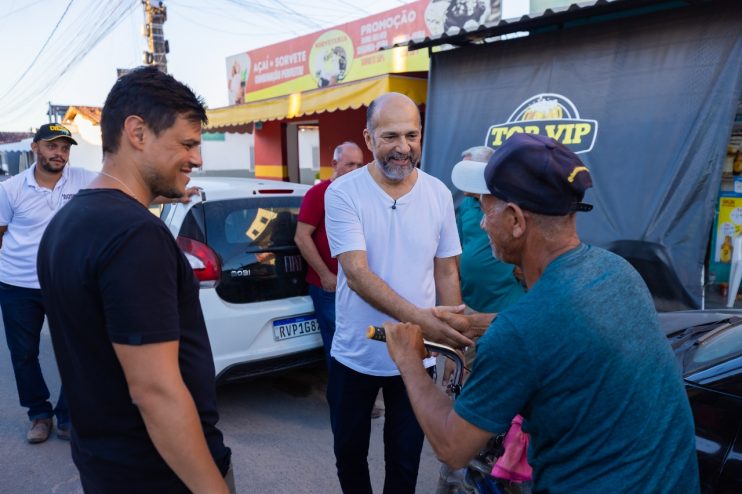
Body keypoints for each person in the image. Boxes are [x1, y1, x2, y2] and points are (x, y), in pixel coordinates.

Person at [383, 133, 700, 493]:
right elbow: (561, 332)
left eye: (486, 209)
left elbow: (453, 447)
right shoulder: (617, 271)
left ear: (516, 220)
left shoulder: (520, 334)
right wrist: (475, 323)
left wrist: (409, 359)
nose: (483, 223)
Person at [37, 66, 232, 493]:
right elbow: (156, 391)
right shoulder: (135, 236)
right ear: (137, 132)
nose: (197, 158)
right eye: (187, 144)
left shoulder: (66, 223)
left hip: (105, 464)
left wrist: (162, 191)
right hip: (161, 474)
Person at [324, 92, 472, 494]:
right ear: (369, 139)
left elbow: (446, 270)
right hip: (355, 353)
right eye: (390, 136)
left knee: (405, 463)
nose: (403, 148)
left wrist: (450, 342)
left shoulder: (438, 193)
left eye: (412, 135)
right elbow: (357, 274)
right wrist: (423, 321)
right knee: (349, 454)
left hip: (419, 355)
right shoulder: (342, 193)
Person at [0, 123, 93, 443]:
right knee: (23, 353)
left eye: (65, 148)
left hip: (66, 283)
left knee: (76, 349)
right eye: (53, 146)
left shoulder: (83, 179)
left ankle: (68, 415)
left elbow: (124, 186)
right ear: (35, 148)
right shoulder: (10, 189)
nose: (60, 154)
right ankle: (39, 415)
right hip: (17, 285)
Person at [294, 141, 364, 364]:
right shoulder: (319, 193)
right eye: (350, 164)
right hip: (329, 286)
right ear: (334, 163)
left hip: (357, 284)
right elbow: (301, 237)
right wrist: (325, 275)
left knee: (359, 343)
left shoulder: (359, 194)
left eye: (359, 165)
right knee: (338, 346)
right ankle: (341, 397)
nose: (355, 170)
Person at [457, 145, 524, 313]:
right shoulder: (466, 205)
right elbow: (458, 247)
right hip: (469, 303)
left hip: (506, 303)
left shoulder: (507, 204)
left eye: (468, 171)